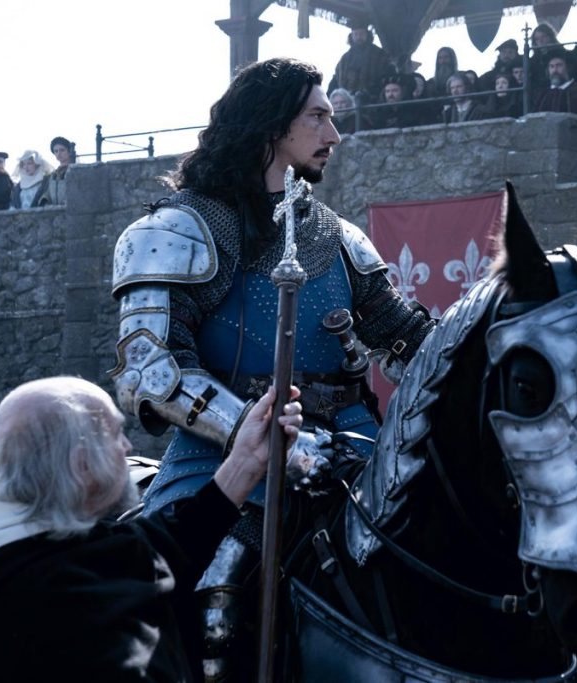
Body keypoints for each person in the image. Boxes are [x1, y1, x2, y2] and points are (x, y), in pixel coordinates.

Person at [110, 56, 435, 679]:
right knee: (212, 586)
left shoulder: (337, 237)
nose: (334, 134)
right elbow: (150, 371)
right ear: (270, 123)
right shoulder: (179, 230)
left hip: (355, 452)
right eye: (317, 117)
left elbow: (409, 341)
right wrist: (266, 438)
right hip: (225, 460)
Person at [0, 376, 303, 682]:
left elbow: (170, 542)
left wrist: (247, 459)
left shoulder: (27, 544)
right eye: (115, 435)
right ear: (81, 463)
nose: (127, 447)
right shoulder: (78, 604)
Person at [327, 20, 395, 104]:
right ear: (351, 36)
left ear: (367, 35)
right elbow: (336, 80)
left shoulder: (380, 55)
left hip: (373, 101)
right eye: (356, 34)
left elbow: (387, 78)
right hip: (347, 103)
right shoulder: (344, 59)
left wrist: (368, 93)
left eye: (361, 34)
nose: (359, 37)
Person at [533, 47, 577, 126]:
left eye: (559, 65)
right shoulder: (543, 94)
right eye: (551, 66)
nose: (555, 70)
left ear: (568, 68)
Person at [47, 135, 76, 205]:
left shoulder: (76, 171)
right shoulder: (53, 175)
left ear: (69, 151)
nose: (59, 154)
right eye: (56, 151)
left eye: (62, 150)